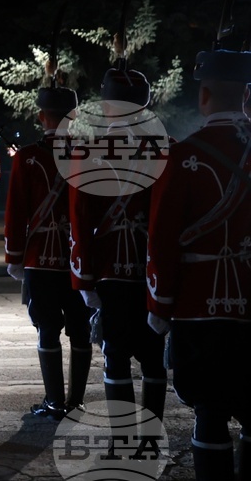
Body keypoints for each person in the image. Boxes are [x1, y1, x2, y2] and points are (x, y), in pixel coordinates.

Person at [147, 46, 251, 480]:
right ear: (246, 94)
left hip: (197, 306)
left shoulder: (181, 155)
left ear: (203, 95)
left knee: (208, 411)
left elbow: (162, 238)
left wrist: (160, 305)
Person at [68, 66, 168, 433]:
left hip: (109, 269)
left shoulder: (88, 150)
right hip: (150, 271)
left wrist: (84, 279)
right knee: (154, 359)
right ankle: (151, 437)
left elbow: (80, 217)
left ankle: (124, 440)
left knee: (116, 357)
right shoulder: (164, 149)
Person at [3, 79, 92, 421]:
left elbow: (16, 212)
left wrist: (14, 257)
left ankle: (55, 402)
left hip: (40, 257)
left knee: (48, 328)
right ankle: (77, 401)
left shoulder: (27, 157)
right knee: (80, 329)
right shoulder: (89, 153)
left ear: (41, 117)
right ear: (75, 116)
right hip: (80, 259)